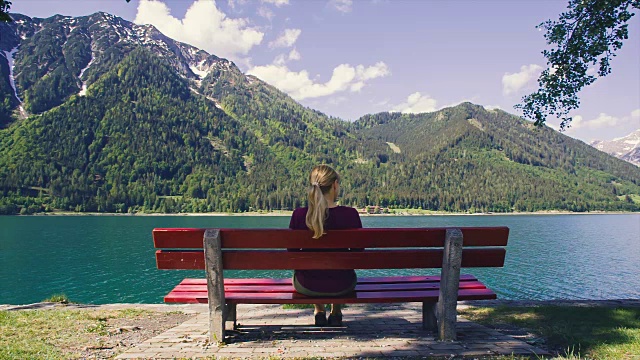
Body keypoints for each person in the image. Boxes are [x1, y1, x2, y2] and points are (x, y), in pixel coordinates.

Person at [288, 164, 363, 327]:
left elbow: (291, 253)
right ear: (335, 185)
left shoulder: (299, 215)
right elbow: (359, 252)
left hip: (307, 286)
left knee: (308, 269)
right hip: (343, 285)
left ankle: (319, 310)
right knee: (340, 270)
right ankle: (335, 311)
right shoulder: (350, 215)